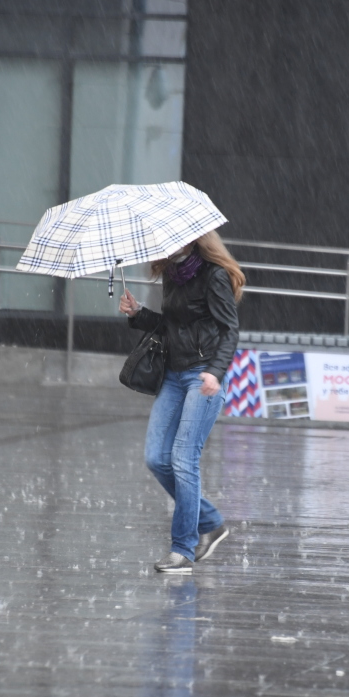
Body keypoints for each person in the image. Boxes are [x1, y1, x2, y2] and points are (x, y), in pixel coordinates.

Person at [118, 231, 244, 574]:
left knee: (183, 459)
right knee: (157, 458)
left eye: (171, 239)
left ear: (190, 240)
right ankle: (211, 522)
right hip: (173, 376)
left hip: (203, 378)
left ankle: (182, 550)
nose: (163, 244)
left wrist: (216, 372)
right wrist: (138, 314)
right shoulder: (171, 275)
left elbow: (229, 330)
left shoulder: (213, 276)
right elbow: (172, 326)